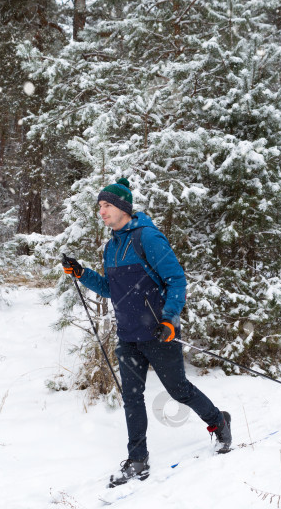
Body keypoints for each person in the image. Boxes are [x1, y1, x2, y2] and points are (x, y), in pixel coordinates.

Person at [62, 177, 231, 488]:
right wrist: (82, 274)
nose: (101, 212)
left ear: (124, 207)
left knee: (179, 391)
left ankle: (219, 421)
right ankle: (138, 459)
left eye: (107, 205)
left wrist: (169, 319)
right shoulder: (111, 247)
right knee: (132, 397)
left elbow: (176, 280)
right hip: (127, 335)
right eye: (99, 206)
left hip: (158, 333)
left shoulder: (148, 238)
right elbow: (111, 290)